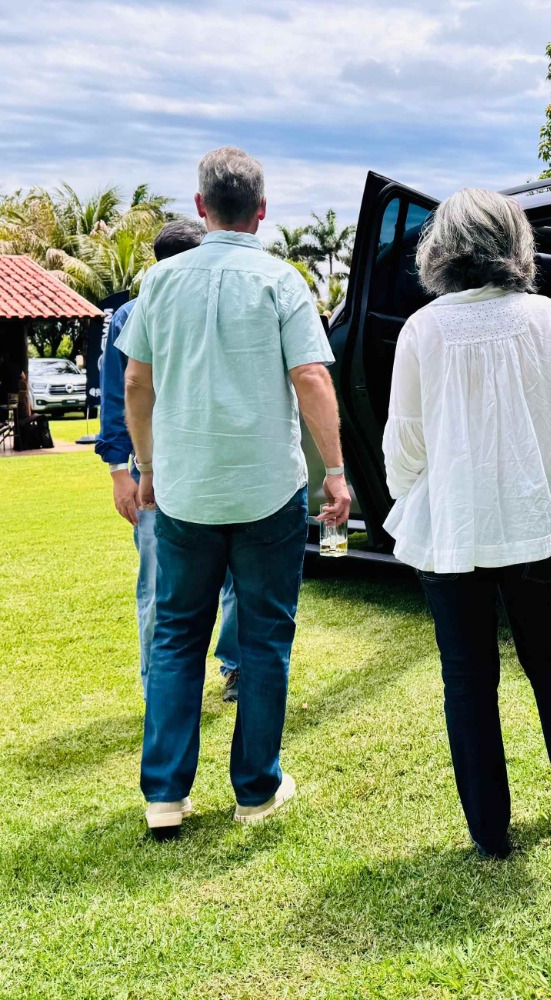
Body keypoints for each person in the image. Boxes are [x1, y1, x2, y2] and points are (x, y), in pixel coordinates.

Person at [119, 146, 350, 840]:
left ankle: (164, 793)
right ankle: (256, 787)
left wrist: (147, 466)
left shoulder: (160, 283)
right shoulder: (281, 280)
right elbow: (311, 377)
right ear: (262, 211)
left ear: (199, 207)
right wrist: (336, 470)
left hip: (185, 489)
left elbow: (136, 383)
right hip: (267, 490)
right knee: (265, 640)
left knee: (176, 639)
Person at [382, 187, 551, 860]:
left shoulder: (422, 330)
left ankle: (489, 833)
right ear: (515, 244)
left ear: (441, 250)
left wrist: (419, 500)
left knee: (468, 677)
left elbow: (406, 443)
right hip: (537, 522)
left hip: (451, 528)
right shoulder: (549, 321)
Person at [96, 218, 241, 702]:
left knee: (205, 580)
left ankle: (225, 667)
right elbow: (121, 394)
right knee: (169, 584)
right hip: (162, 473)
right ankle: (165, 682)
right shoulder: (132, 316)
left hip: (193, 466)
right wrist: (123, 472)